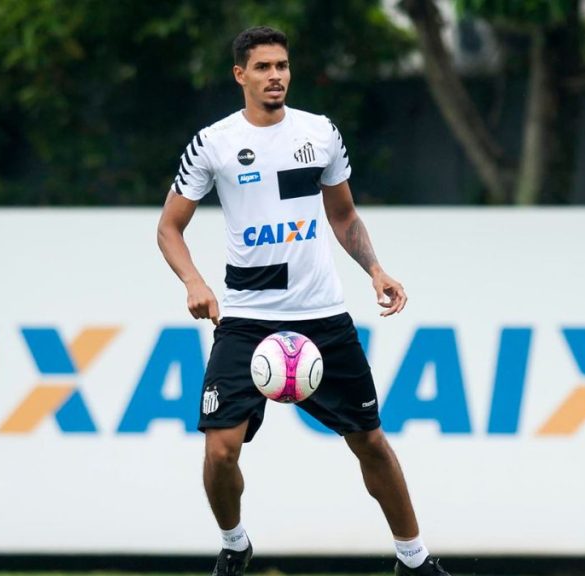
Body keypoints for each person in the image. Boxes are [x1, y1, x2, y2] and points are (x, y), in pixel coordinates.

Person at [157, 25, 450, 576]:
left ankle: (414, 560)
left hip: (322, 317)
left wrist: (376, 269)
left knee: (370, 440)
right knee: (221, 449)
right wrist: (194, 282)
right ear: (240, 75)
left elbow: (342, 215)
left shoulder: (319, 133)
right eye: (264, 67)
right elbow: (169, 228)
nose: (276, 76)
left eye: (283, 66)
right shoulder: (213, 142)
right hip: (246, 319)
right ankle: (235, 543)